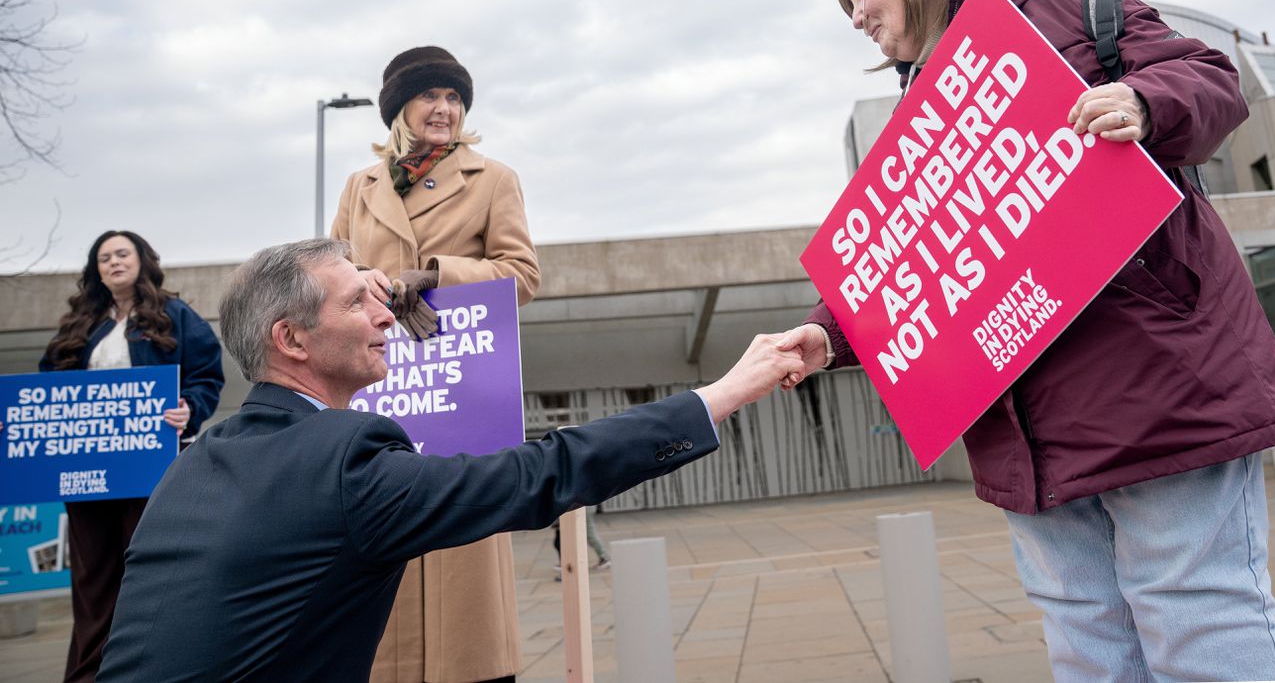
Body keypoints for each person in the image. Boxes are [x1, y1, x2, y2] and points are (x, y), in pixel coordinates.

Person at [776, 0, 1275, 682]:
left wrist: (1147, 104)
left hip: (1153, 390)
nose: (854, 17)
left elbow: (1210, 80)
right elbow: (909, 263)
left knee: (1196, 620)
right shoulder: (920, 113)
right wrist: (828, 333)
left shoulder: (1074, 13)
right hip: (1027, 435)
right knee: (1087, 646)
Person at [95, 238, 802, 681]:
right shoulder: (348, 461)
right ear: (293, 339)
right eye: (356, 303)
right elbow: (540, 473)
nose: (385, 315)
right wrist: (721, 394)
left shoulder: (192, 463)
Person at [331, 44, 539, 683]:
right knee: (387, 518)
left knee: (461, 530)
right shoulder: (358, 187)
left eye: (454, 98)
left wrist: (439, 274)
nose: (444, 109)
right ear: (400, 109)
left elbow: (522, 274)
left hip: (460, 375)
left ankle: (474, 668)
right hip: (388, 377)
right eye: (431, 96)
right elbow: (331, 272)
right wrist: (362, 286)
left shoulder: (493, 178)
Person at [37, 230, 224, 682]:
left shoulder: (175, 315)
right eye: (104, 257)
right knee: (92, 584)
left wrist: (189, 409)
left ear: (142, 260)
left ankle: (152, 669)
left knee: (147, 575)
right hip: (86, 474)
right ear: (95, 270)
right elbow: (43, 390)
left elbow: (206, 376)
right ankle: (87, 675)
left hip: (149, 471)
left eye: (122, 253)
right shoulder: (78, 325)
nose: (114, 262)